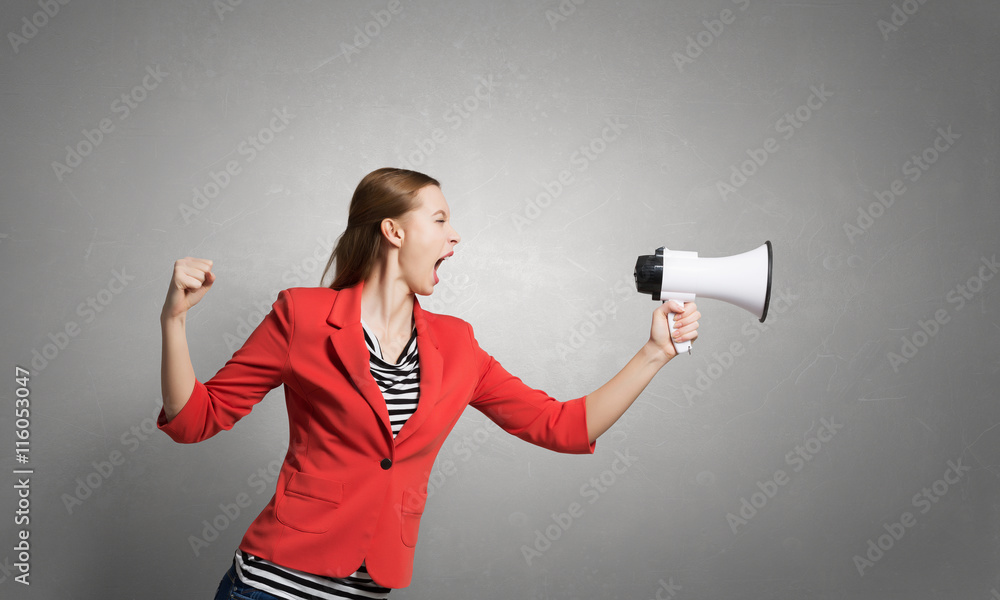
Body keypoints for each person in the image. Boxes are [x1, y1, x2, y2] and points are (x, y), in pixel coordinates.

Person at [158, 167, 700, 599]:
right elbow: (194, 420)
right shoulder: (302, 314)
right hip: (274, 587)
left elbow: (559, 426)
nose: (455, 234)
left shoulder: (457, 344)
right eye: (440, 220)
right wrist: (175, 323)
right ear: (393, 231)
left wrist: (655, 352)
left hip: (370, 589)